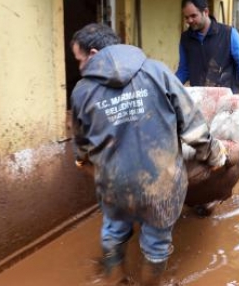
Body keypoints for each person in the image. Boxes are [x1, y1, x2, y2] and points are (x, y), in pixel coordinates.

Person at [70, 23, 227, 285]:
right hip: (160, 185)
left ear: (94, 53)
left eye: (79, 59)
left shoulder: (82, 92)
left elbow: (83, 149)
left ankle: (116, 279)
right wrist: (215, 157)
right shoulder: (158, 72)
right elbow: (194, 128)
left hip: (114, 185)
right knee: (156, 245)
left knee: (113, 231)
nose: (79, 66)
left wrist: (91, 166)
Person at [176, 0, 239, 111]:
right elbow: (184, 70)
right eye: (186, 17)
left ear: (205, 12)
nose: (189, 20)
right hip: (201, 101)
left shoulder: (228, 33)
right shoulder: (186, 39)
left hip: (227, 101)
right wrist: (170, 87)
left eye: (193, 16)